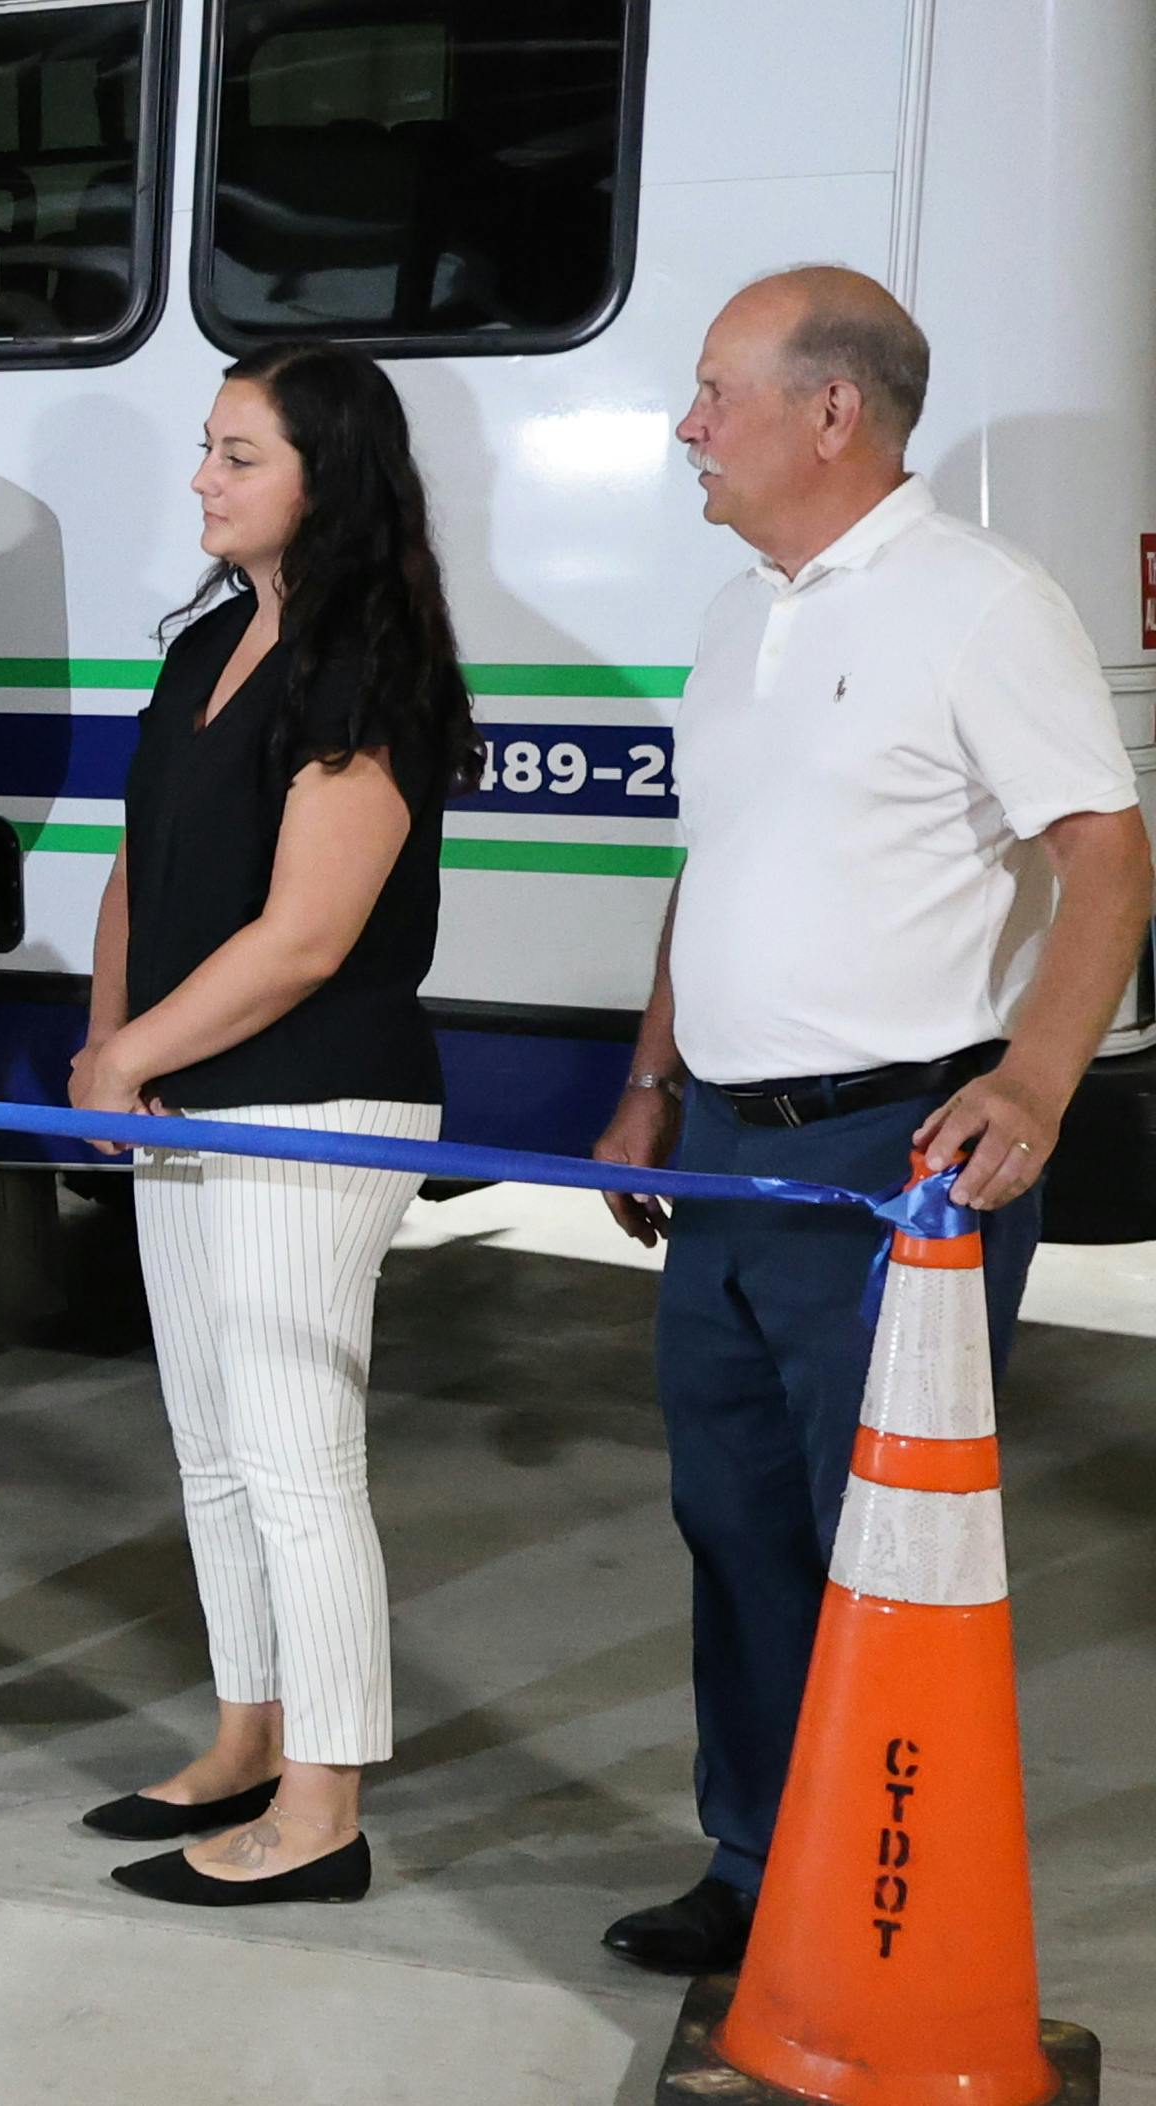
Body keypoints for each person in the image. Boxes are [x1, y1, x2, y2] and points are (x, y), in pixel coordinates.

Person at [587, 268, 1152, 1975]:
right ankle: (756, 1865)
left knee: (880, 1551)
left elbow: (1102, 852)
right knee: (733, 1520)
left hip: (892, 1161)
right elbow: (719, 872)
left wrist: (1035, 1077)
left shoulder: (974, 602)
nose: (684, 424)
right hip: (729, 1153)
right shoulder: (735, 614)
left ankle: (884, 1912)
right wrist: (646, 1083)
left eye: (709, 390)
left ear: (827, 412)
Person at [67, 346, 476, 1908]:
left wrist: (138, 1055)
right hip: (183, 1089)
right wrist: (114, 1042)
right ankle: (247, 1730)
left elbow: (307, 937)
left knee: (300, 1458)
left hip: (316, 1099)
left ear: (331, 478)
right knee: (214, 1450)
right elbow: (136, 865)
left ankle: (325, 1806)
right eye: (207, 449)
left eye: (239, 455)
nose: (202, 479)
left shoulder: (365, 668)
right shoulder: (213, 646)